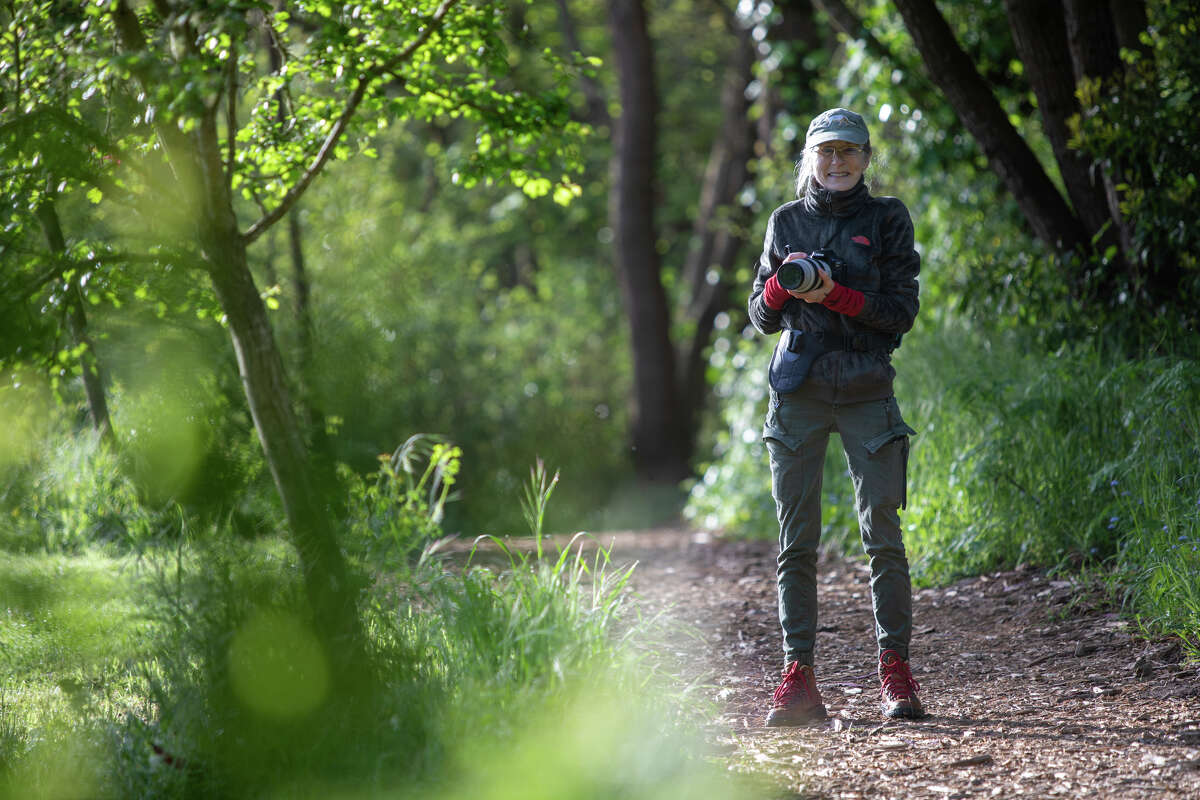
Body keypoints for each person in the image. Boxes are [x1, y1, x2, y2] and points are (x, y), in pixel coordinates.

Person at [747, 107, 924, 725]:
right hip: (796, 389)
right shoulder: (786, 221)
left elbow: (900, 312)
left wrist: (837, 296)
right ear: (810, 161)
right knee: (796, 541)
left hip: (867, 385)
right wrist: (781, 289)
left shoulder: (887, 218)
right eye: (826, 152)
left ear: (866, 159)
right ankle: (799, 678)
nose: (837, 162)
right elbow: (761, 315)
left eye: (849, 152)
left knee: (882, 532)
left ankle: (895, 672)